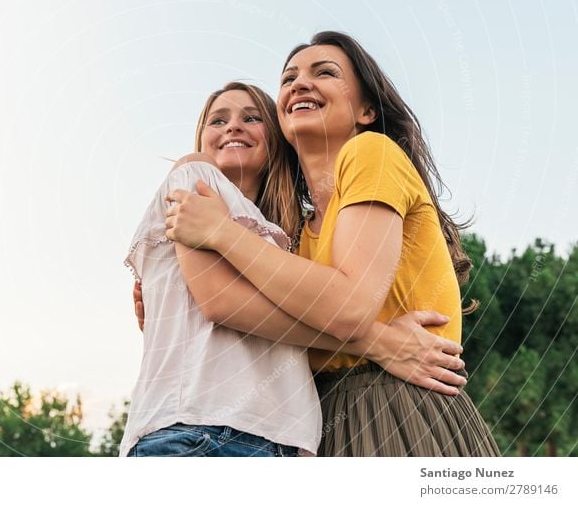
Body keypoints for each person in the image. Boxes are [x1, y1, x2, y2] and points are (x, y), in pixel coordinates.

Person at [165, 33, 500, 457]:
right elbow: (279, 347)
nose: (299, 84)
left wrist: (221, 232)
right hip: (320, 424)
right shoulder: (297, 237)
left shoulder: (370, 152)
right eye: (289, 78)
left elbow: (348, 309)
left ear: (366, 110)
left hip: (397, 408)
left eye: (324, 73)